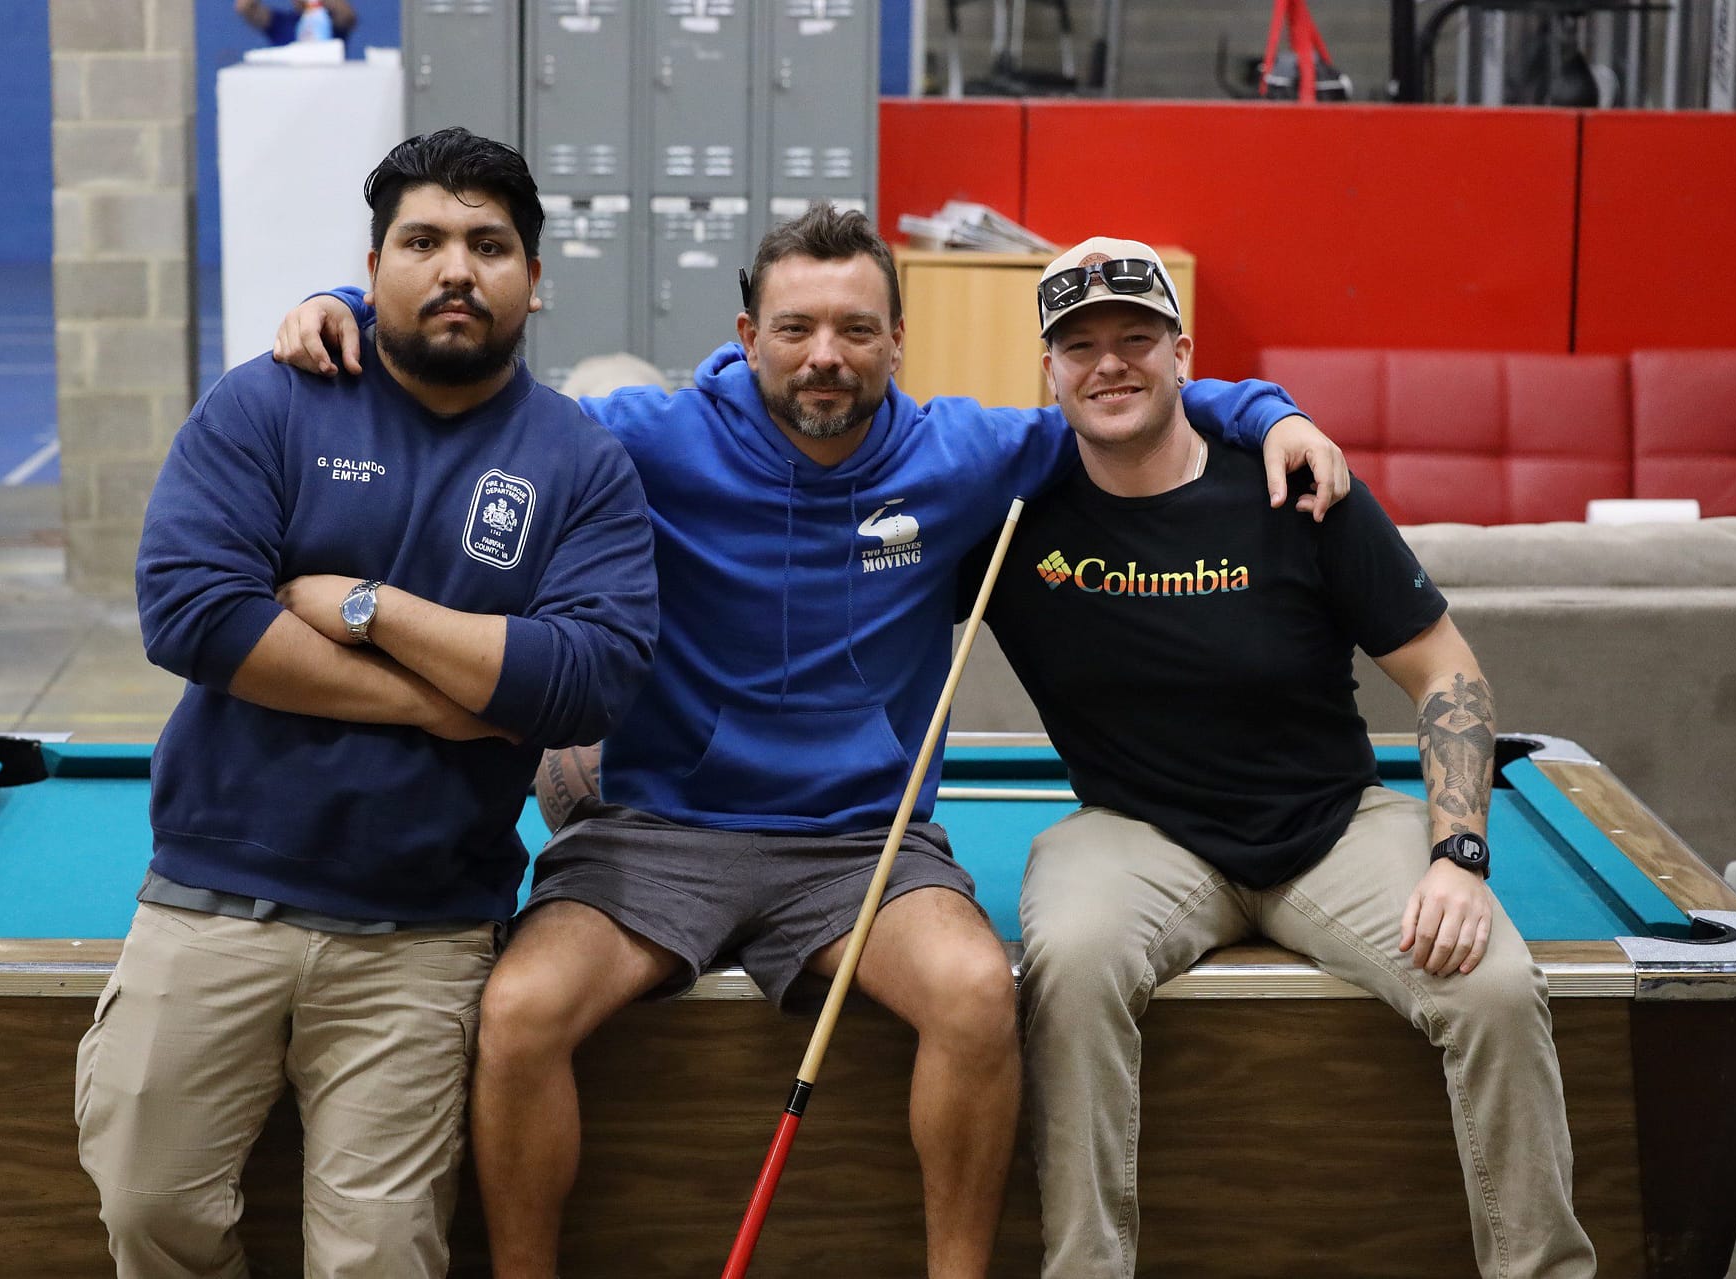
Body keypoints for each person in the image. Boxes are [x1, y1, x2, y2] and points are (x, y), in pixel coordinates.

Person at [269, 206, 1351, 1279]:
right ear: (747, 337)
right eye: (793, 329)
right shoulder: (649, 438)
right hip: (661, 831)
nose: (823, 357)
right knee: (516, 1008)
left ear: (896, 340)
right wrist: (351, 307)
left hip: (859, 846)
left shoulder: (962, 454)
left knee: (977, 994)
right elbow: (480, 391)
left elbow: (1121, 393)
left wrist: (1266, 410)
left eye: (854, 330)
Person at [75, 128, 658, 1279]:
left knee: (381, 1256)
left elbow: (587, 674)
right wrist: (441, 705)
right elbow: (191, 613)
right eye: (423, 241)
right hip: (208, 902)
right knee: (147, 1210)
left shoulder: (579, 464)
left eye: (489, 245)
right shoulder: (270, 403)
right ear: (375, 262)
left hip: (423, 934)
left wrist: (364, 607)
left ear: (533, 283)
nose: (455, 269)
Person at [967, 237, 1598, 1278]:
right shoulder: (1010, 515)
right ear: (1048, 371)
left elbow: (1445, 671)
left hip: (1330, 827)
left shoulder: (1293, 484)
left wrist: (1457, 853)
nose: (1108, 364)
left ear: (1183, 353)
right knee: (1069, 967)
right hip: (1135, 834)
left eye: (1135, 338)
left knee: (1489, 987)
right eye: (1079, 346)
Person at [235, 0, 356, 47]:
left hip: (327, 89)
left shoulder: (330, 22)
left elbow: (348, 16)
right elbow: (245, 7)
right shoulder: (280, 22)